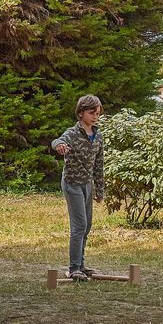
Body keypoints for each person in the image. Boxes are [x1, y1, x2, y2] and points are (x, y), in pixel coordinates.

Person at [51, 95, 105, 281]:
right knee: (79, 226)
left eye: (97, 113)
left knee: (87, 226)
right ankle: (74, 268)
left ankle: (81, 265)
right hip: (72, 184)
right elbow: (57, 141)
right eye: (91, 113)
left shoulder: (98, 136)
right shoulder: (72, 134)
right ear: (81, 113)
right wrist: (60, 146)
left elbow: (99, 166)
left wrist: (100, 190)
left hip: (87, 185)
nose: (95, 116)